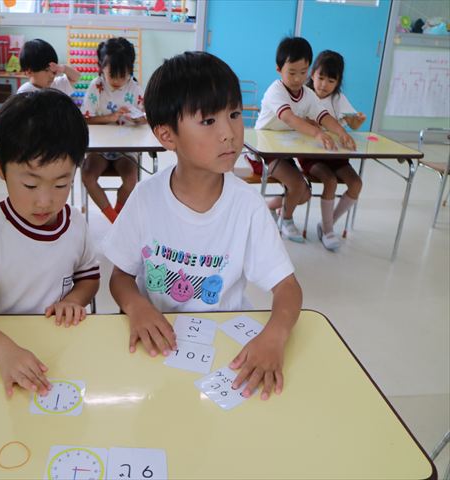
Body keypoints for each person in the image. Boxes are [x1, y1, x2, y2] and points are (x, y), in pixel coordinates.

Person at [101, 52, 302, 401]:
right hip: (158, 341)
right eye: (208, 121)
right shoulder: (145, 198)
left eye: (234, 115)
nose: (229, 134)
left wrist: (275, 335)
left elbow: (288, 288)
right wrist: (136, 306)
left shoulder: (247, 206)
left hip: (224, 347)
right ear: (167, 135)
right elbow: (120, 277)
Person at [0, 90, 100, 397]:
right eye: (30, 184)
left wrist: (74, 300)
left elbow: (89, 278)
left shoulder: (76, 224)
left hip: (56, 351)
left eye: (61, 184)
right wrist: (4, 350)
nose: (45, 201)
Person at [253, 37, 356, 243]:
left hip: (283, 152)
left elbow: (324, 116)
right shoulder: (275, 91)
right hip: (263, 152)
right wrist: (317, 133)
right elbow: (289, 118)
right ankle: (286, 219)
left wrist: (342, 132)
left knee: (304, 194)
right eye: (292, 72)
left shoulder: (307, 94)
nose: (298, 78)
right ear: (278, 69)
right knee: (297, 186)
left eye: (303, 72)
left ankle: (269, 208)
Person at [300, 50, 365, 251]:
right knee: (330, 181)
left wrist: (357, 122)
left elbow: (352, 124)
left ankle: (327, 224)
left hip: (335, 153)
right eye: (320, 78)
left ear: (337, 82)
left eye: (331, 81)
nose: (324, 85)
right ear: (312, 74)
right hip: (311, 154)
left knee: (356, 184)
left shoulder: (338, 98)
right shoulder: (304, 93)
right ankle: (328, 231)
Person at [80, 37, 146, 223]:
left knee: (131, 180)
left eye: (123, 75)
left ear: (130, 70)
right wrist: (110, 118)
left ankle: (118, 214)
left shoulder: (134, 87)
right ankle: (113, 218)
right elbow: (85, 119)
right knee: (87, 176)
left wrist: (138, 119)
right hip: (99, 149)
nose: (118, 80)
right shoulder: (97, 86)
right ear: (101, 67)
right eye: (112, 75)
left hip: (126, 149)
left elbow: (144, 118)